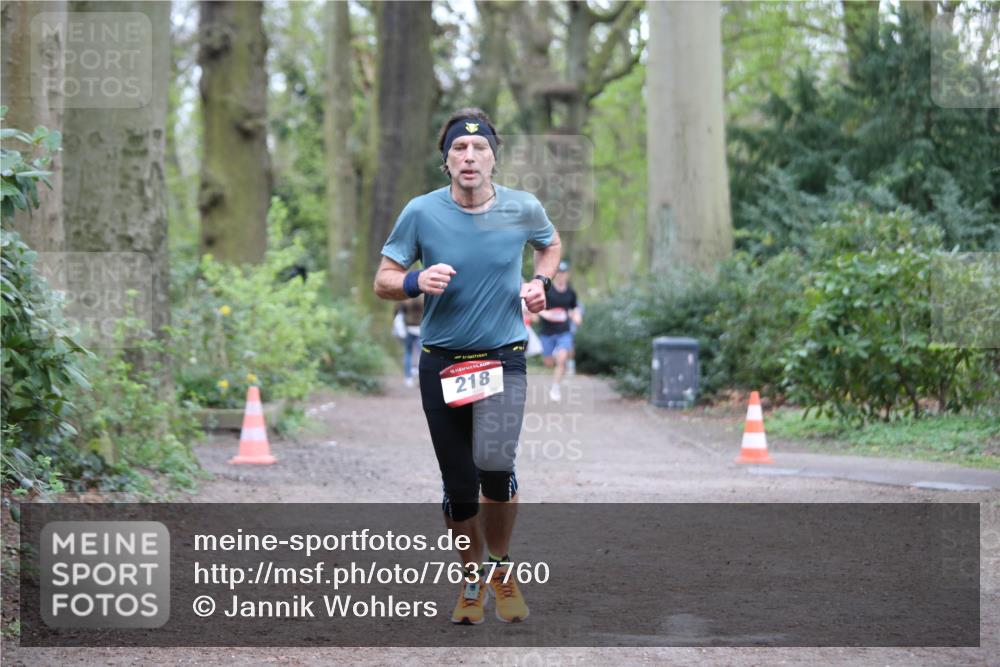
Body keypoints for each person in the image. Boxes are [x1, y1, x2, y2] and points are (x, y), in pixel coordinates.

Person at [373, 107, 561, 625]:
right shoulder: (420, 212)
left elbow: (550, 245)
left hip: (503, 356)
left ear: (494, 159)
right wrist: (416, 281)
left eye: (480, 148)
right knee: (458, 484)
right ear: (446, 160)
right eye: (459, 148)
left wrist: (540, 284)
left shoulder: (523, 207)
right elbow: (383, 278)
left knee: (496, 467)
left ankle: (501, 566)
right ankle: (471, 578)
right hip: (441, 362)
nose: (470, 156)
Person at [534, 260, 582, 401]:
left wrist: (576, 315)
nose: (561, 275)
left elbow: (574, 308)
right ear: (555, 274)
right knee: (548, 362)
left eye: (564, 273)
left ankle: (556, 387)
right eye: (559, 273)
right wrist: (545, 314)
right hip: (547, 332)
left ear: (568, 274)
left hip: (563, 331)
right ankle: (553, 355)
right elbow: (536, 310)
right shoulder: (547, 291)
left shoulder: (571, 293)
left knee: (561, 359)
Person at [395, 295, 424, 387]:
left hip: (408, 328)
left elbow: (397, 312)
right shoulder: (424, 298)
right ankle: (421, 377)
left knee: (408, 353)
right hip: (421, 329)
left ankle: (408, 378)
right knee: (422, 354)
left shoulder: (405, 298)